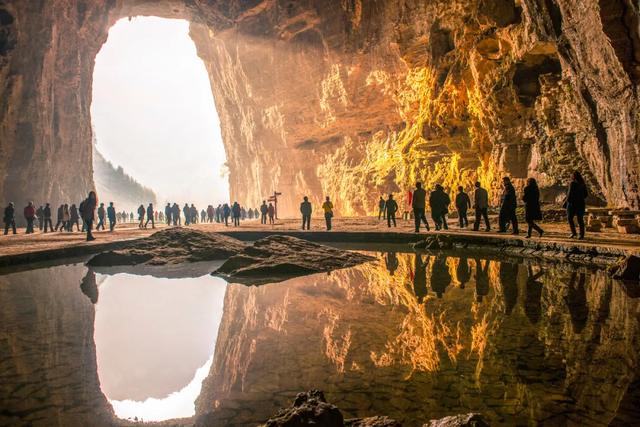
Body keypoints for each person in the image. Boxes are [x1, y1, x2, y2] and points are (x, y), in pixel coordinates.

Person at [566, 171, 588, 239]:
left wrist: (568, 201)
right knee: (580, 219)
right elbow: (586, 194)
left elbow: (569, 194)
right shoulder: (583, 184)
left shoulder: (572, 183)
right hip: (581, 204)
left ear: (573, 176)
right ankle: (581, 235)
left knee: (570, 218)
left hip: (572, 204)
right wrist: (580, 198)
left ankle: (573, 233)